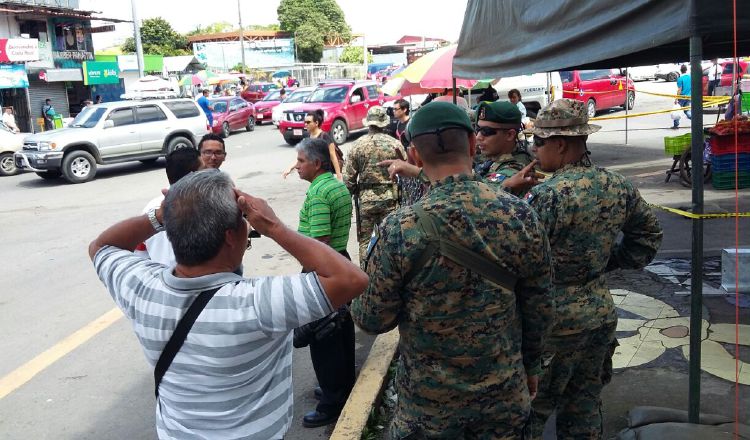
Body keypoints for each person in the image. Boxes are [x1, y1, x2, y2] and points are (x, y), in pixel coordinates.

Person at [89, 169, 368, 440]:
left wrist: (162, 216)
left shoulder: (140, 289)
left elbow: (101, 246)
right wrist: (273, 226)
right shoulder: (258, 304)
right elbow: (351, 279)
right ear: (230, 236)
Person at [352, 101, 554, 439]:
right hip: (503, 400)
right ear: (473, 145)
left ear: (414, 154)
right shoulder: (520, 215)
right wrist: (530, 367)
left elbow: (372, 319)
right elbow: (540, 306)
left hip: (428, 410)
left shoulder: (399, 228)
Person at [525, 98, 663, 439]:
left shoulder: (547, 195)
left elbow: (520, 260)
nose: (533, 149)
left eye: (538, 142)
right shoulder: (618, 186)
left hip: (553, 323)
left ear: (560, 144)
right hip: (599, 313)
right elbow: (648, 236)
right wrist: (607, 262)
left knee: (530, 412)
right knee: (583, 409)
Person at [293, 137, 355, 428]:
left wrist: (309, 279)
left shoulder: (318, 194)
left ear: (317, 163)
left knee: (323, 337)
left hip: (322, 268)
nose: (297, 166)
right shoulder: (335, 184)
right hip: (340, 261)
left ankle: (331, 401)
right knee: (341, 329)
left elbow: (319, 242)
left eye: (301, 161)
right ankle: (342, 385)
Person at [343, 106, 406, 263]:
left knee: (365, 241)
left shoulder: (357, 145)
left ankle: (366, 274)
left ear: (369, 123)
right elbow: (406, 170)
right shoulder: (395, 144)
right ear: (384, 123)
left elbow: (348, 178)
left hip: (366, 200)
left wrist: (349, 199)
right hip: (390, 199)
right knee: (390, 239)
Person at [135, 147, 204, 266]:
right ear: (192, 176)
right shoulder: (201, 208)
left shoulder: (150, 208)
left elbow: (140, 253)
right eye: (204, 171)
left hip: (160, 279)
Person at [474, 101, 534, 195]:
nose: (478, 137)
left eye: (486, 131)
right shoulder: (494, 156)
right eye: (477, 129)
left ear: (510, 135)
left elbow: (479, 198)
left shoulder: (517, 168)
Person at [282, 109, 343, 180]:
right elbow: (302, 157)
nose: (306, 124)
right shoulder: (308, 137)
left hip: (325, 174)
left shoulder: (325, 136)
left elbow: (333, 157)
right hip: (314, 173)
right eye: (305, 122)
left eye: (308, 122)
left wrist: (339, 175)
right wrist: (290, 168)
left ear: (316, 123)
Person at [673, 64, 691, 129]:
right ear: (686, 70)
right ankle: (694, 120)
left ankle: (676, 125)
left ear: (680, 71)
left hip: (682, 97)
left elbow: (679, 89)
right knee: (686, 110)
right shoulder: (690, 77)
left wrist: (676, 98)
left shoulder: (680, 79)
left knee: (677, 110)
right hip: (689, 96)